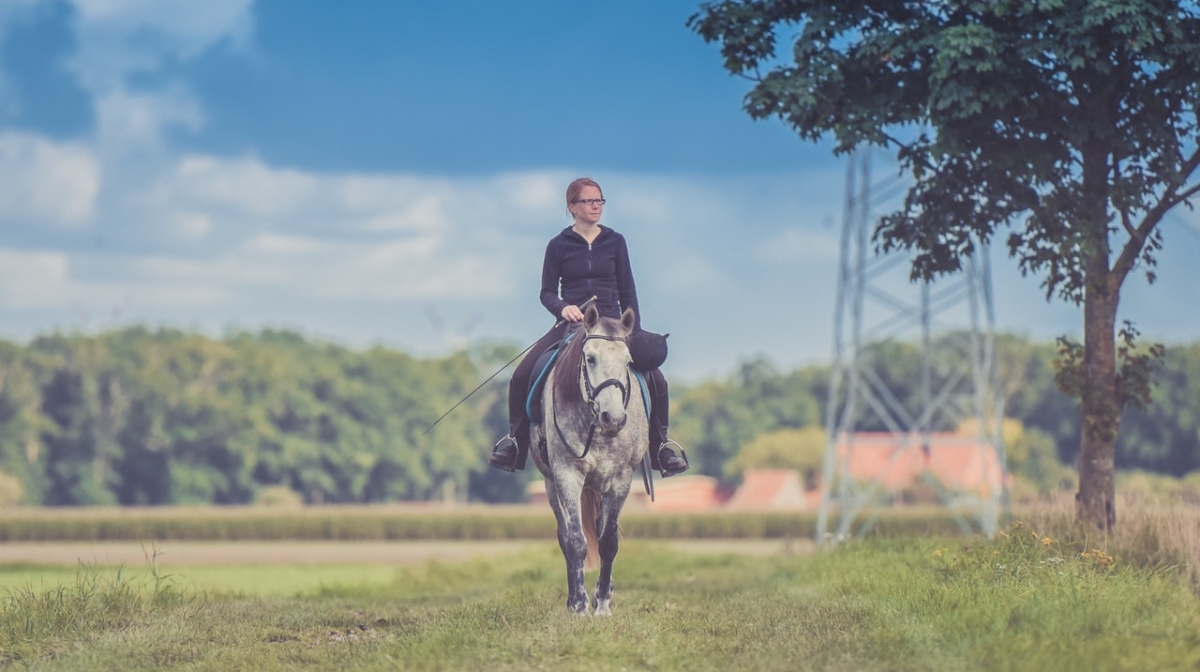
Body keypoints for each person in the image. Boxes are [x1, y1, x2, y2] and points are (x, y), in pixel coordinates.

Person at [489, 177, 689, 478]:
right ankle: (514, 444)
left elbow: (628, 290)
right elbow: (546, 291)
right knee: (521, 375)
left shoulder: (615, 241)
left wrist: (633, 331)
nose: (596, 205)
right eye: (589, 200)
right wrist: (562, 307)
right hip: (572, 324)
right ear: (572, 206)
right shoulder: (557, 245)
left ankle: (661, 447)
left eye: (600, 200)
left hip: (613, 325)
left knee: (658, 381)